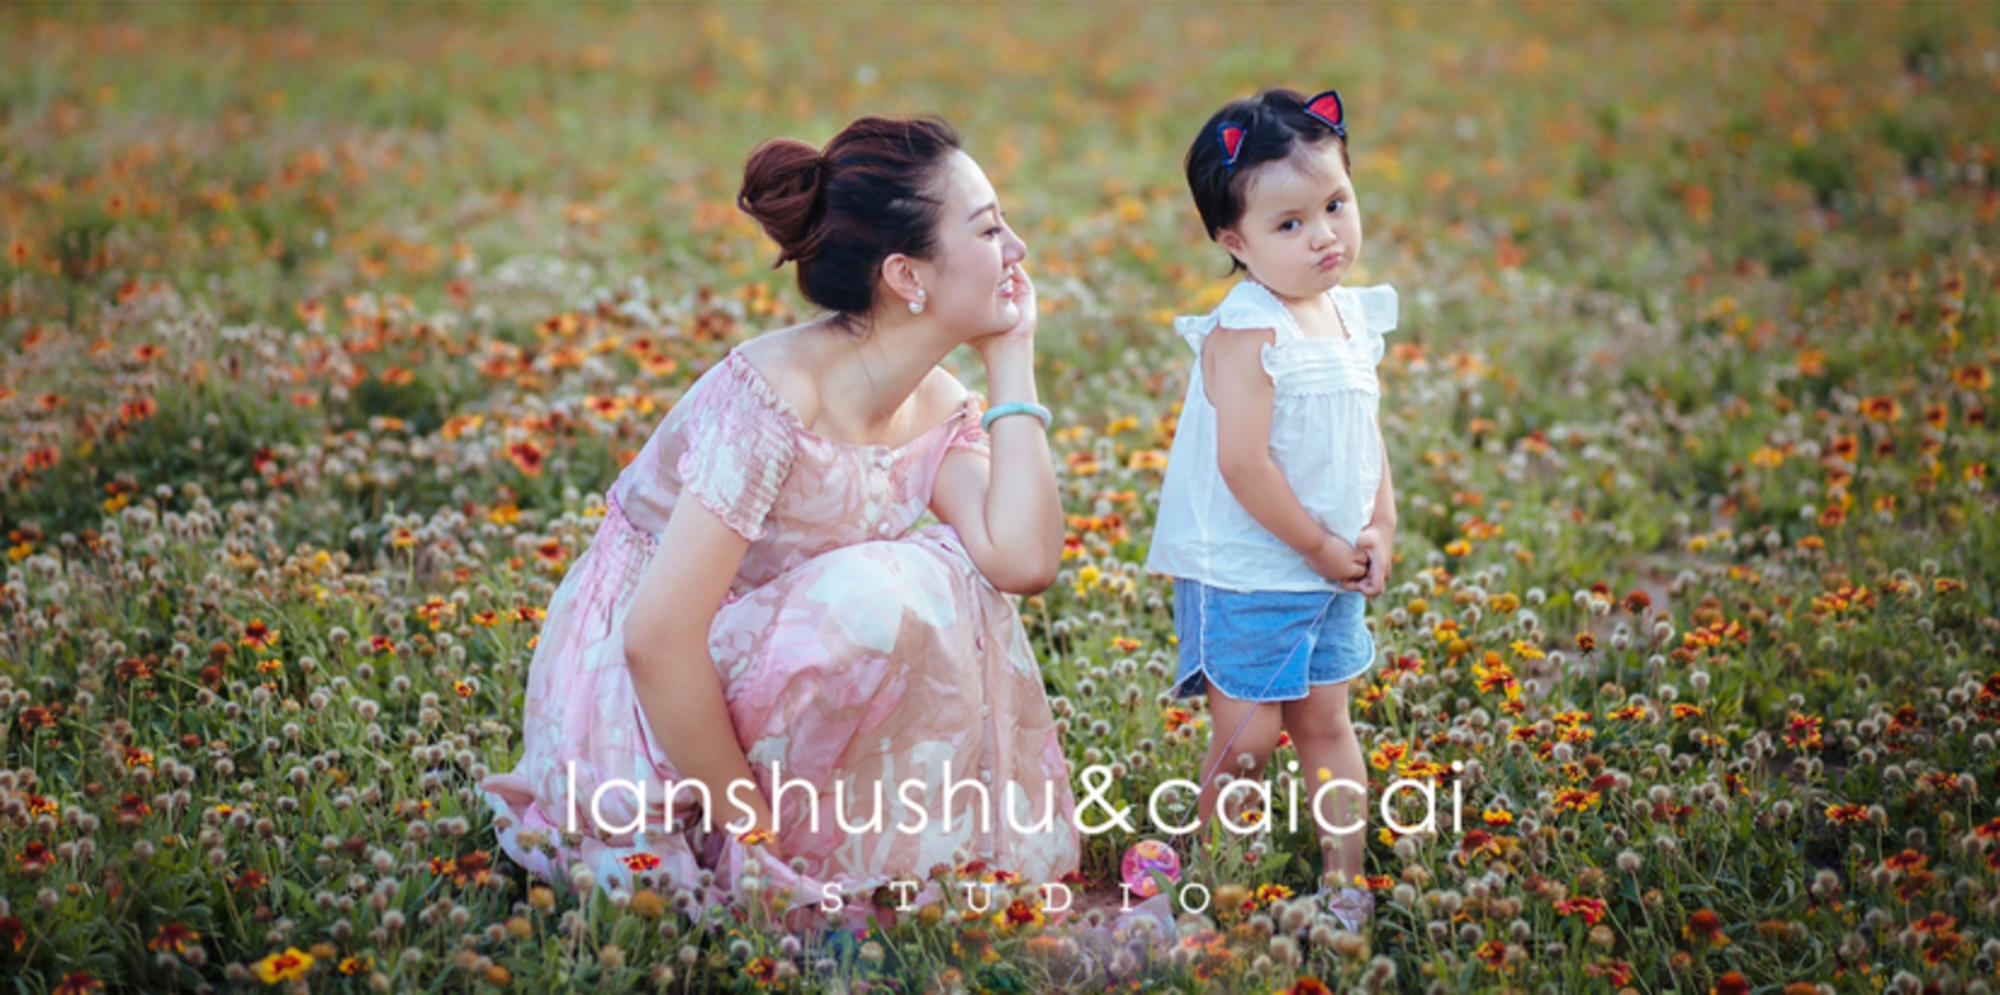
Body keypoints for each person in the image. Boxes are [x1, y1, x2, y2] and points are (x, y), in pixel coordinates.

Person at [480, 115, 1080, 928]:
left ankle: (840, 850)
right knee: (879, 592)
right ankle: (752, 849)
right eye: (988, 228)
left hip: (765, 660)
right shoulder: (773, 399)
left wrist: (1013, 358)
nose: (1017, 248)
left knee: (950, 580)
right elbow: (656, 638)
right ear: (907, 274)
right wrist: (750, 831)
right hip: (642, 694)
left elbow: (1022, 559)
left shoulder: (935, 406)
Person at [1142, 88, 1398, 932]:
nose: (1325, 235)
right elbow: (1244, 466)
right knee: (1248, 741)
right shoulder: (1248, 329)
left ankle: (1344, 888)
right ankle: (1210, 885)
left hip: (1328, 567)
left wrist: (1379, 525)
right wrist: (1319, 547)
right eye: (1289, 223)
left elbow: (1364, 435)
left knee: (1326, 722)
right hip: (1250, 571)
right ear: (1235, 241)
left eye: (1335, 204)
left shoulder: (1349, 315)